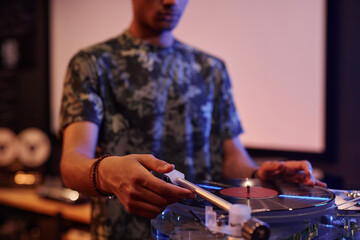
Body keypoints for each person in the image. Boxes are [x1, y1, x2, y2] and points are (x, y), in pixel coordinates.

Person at [59, 0, 326, 239]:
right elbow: (72, 162)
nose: (171, 2)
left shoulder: (211, 69)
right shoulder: (92, 64)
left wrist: (259, 177)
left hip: (202, 233)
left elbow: (232, 158)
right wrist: (107, 173)